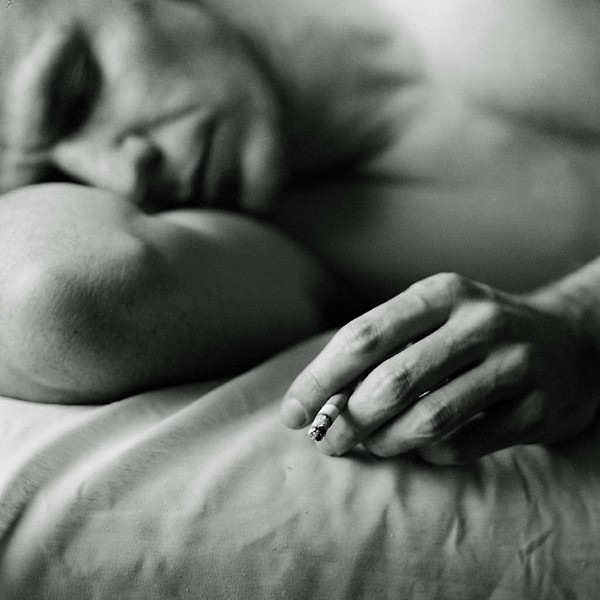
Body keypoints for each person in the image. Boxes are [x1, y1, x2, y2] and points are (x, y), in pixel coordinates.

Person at [1, 0, 600, 464]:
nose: (122, 176)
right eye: (57, 180)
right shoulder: (278, 245)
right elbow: (49, 297)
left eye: (75, 91)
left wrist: (579, 318)